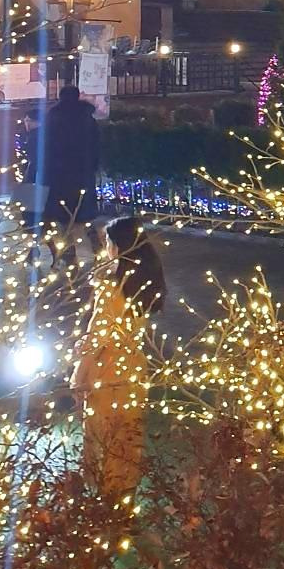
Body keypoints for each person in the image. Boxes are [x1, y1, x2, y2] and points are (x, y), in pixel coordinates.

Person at [72, 216, 166, 500]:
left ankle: (103, 503)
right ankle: (123, 500)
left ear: (118, 246)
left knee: (103, 439)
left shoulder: (111, 289)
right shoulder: (144, 284)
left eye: (108, 242)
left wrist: (78, 376)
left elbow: (98, 339)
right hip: (133, 369)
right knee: (127, 440)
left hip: (107, 371)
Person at [38, 85, 100, 263]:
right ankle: (98, 248)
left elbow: (46, 147)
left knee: (62, 218)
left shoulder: (53, 118)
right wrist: (92, 166)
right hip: (82, 173)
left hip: (58, 175)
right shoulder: (88, 118)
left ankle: (69, 256)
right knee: (83, 214)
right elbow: (96, 146)